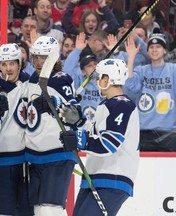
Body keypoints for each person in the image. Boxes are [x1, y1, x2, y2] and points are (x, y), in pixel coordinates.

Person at [59, 58, 140, 216]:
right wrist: (79, 121)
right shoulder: (107, 105)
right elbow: (95, 134)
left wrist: (79, 140)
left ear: (106, 79)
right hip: (96, 176)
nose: (96, 81)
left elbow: (109, 143)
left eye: (99, 77)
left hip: (112, 178)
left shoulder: (122, 105)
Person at [25, 36, 78, 215]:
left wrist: (55, 104)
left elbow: (76, 116)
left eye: (44, 57)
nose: (39, 62)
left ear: (54, 58)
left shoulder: (61, 79)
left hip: (57, 154)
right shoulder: (32, 79)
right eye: (36, 57)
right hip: (34, 155)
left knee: (49, 211)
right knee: (39, 211)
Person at [0, 43, 33, 216]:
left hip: (24, 162)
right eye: (3, 64)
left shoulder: (30, 84)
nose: (8, 68)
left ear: (19, 63)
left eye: (12, 63)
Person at [125, 33, 176, 151]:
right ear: (147, 52)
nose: (154, 50)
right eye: (151, 47)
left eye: (158, 46)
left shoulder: (173, 69)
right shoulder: (141, 70)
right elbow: (130, 89)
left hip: (169, 133)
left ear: (164, 50)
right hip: (144, 132)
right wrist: (131, 58)